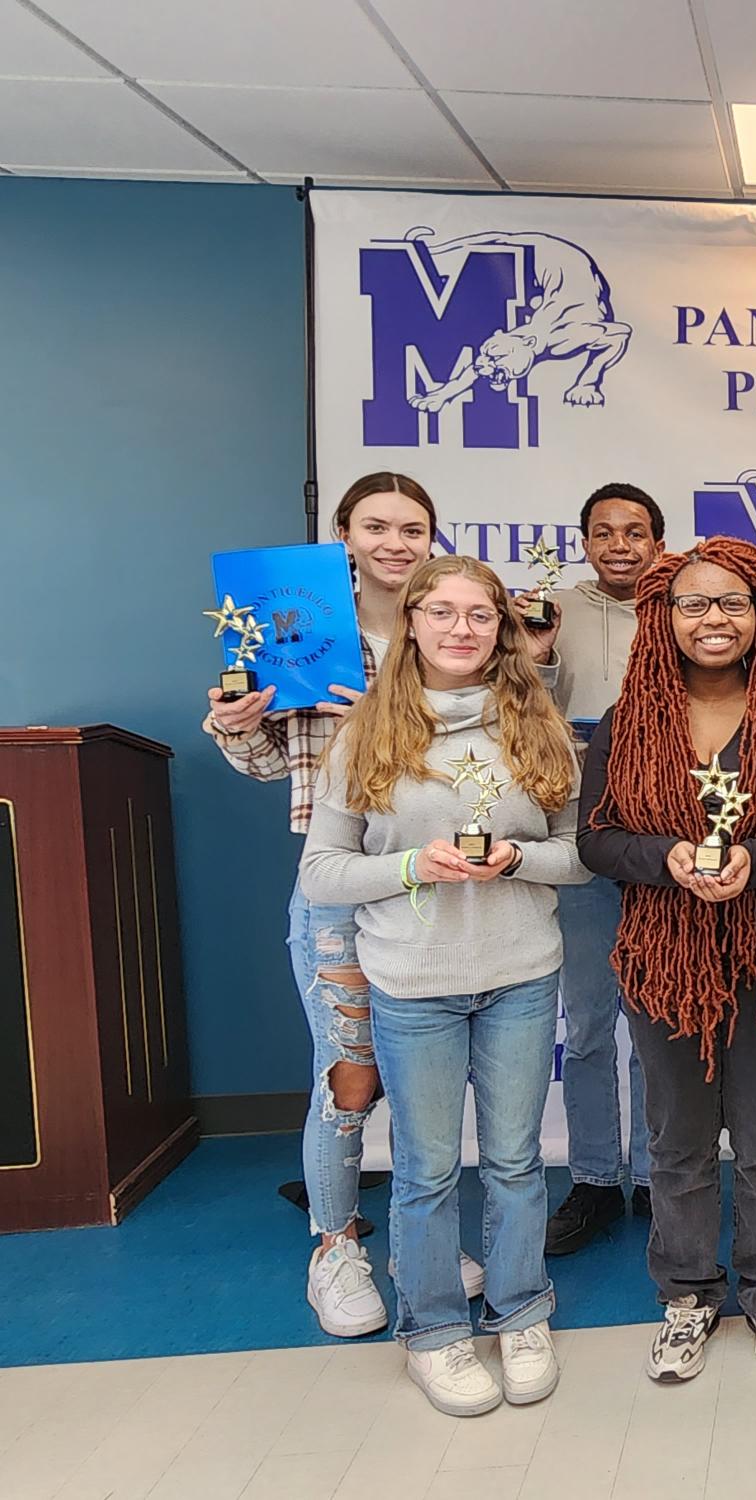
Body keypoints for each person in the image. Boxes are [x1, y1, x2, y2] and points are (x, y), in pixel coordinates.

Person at [301, 555, 586, 1416]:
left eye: (480, 615)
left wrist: (516, 859)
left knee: (513, 1161)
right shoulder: (366, 736)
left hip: (520, 978)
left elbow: (579, 855)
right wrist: (409, 865)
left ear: (502, 629)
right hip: (412, 985)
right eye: (444, 612)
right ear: (413, 622)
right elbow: (323, 872)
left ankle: (520, 1311)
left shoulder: (539, 728)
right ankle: (432, 1332)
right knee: (427, 1171)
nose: (462, 629)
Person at [203, 471, 482, 1336]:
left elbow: (492, 766)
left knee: (427, 1083)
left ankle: (417, 1241)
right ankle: (335, 1247)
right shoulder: (299, 631)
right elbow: (269, 768)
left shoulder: (451, 632)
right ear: (344, 534)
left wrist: (404, 728)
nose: (395, 543)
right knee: (348, 1076)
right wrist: (236, 723)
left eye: (413, 528)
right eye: (377, 526)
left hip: (440, 880)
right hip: (340, 887)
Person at [577, 537, 756, 1381]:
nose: (713, 619)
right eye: (693, 603)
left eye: (732, 602)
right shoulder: (627, 723)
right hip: (664, 961)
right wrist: (669, 859)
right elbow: (596, 839)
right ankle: (689, 1295)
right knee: (678, 1141)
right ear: (663, 616)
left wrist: (753, 864)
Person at [539, 482, 664, 1257]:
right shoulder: (551, 610)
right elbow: (522, 706)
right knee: (586, 1023)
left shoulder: (687, 606)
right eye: (604, 531)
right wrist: (543, 656)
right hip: (581, 836)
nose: (620, 544)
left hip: (662, 842)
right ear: (585, 540)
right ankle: (591, 1177)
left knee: (658, 1021)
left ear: (658, 541)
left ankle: (656, 1176)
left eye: (636, 531)